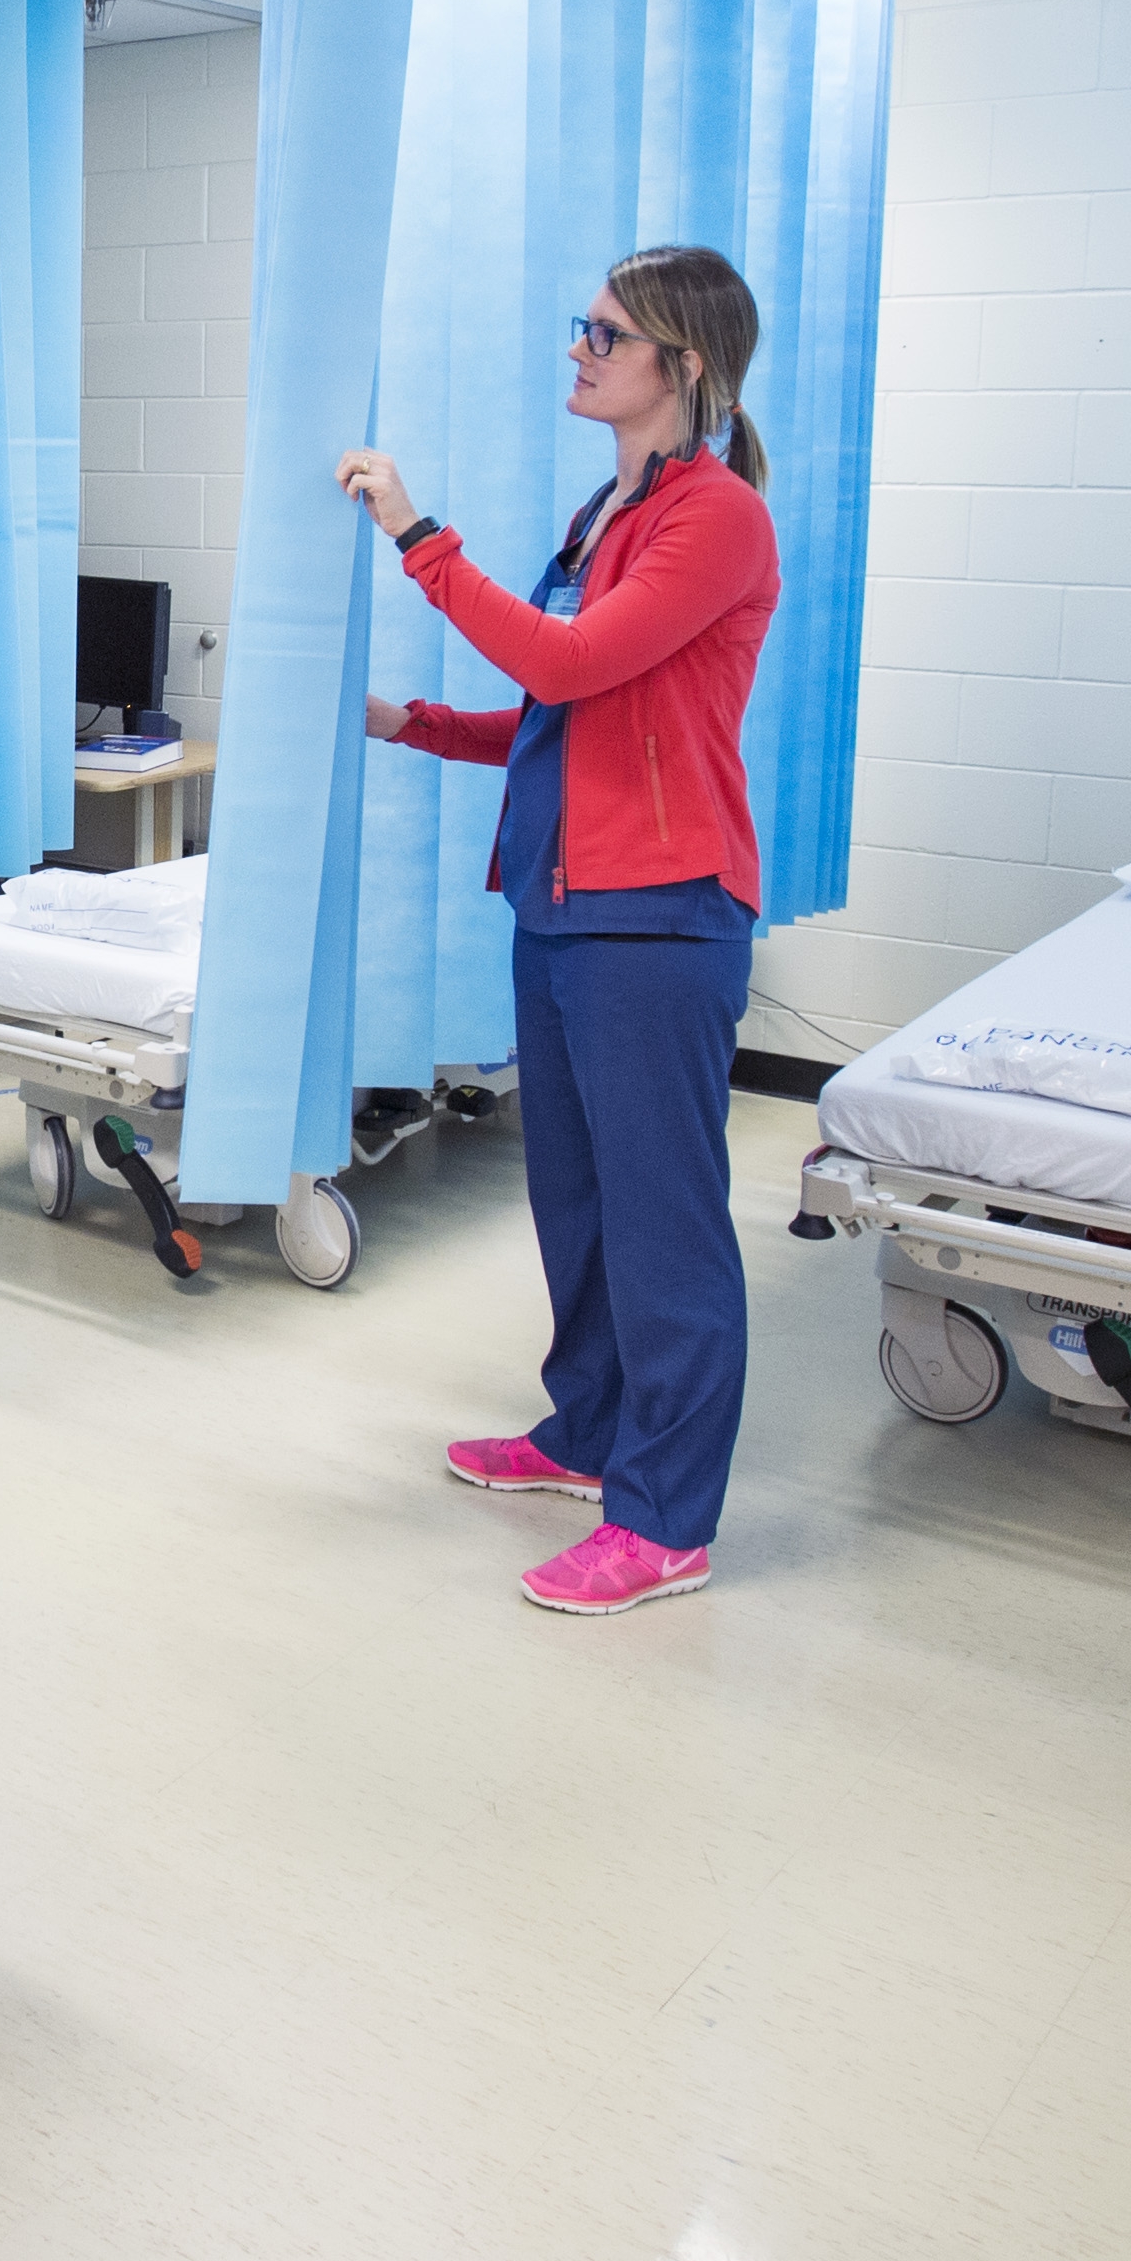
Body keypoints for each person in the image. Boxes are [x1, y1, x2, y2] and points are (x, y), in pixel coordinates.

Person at [336, 247, 778, 1616]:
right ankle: (588, 1437)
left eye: (606, 332)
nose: (579, 349)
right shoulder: (609, 511)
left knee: (665, 1231)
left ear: (683, 365)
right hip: (567, 908)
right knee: (578, 1209)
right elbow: (559, 716)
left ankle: (667, 1521)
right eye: (581, 327)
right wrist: (413, 725)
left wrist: (420, 536)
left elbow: (568, 659)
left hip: (661, 920)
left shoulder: (718, 520)